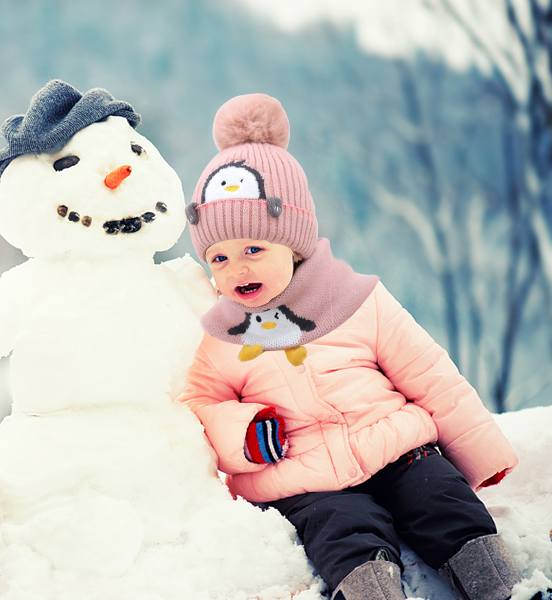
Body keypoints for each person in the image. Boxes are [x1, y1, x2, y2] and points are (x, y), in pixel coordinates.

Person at [178, 94, 535, 600]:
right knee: (343, 533)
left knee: (443, 501)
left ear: (293, 241)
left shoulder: (357, 299)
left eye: (254, 250)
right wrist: (246, 433)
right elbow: (200, 405)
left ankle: (499, 587)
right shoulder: (221, 337)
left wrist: (479, 449)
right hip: (308, 483)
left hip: (398, 449)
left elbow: (429, 372)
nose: (237, 270)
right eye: (218, 258)